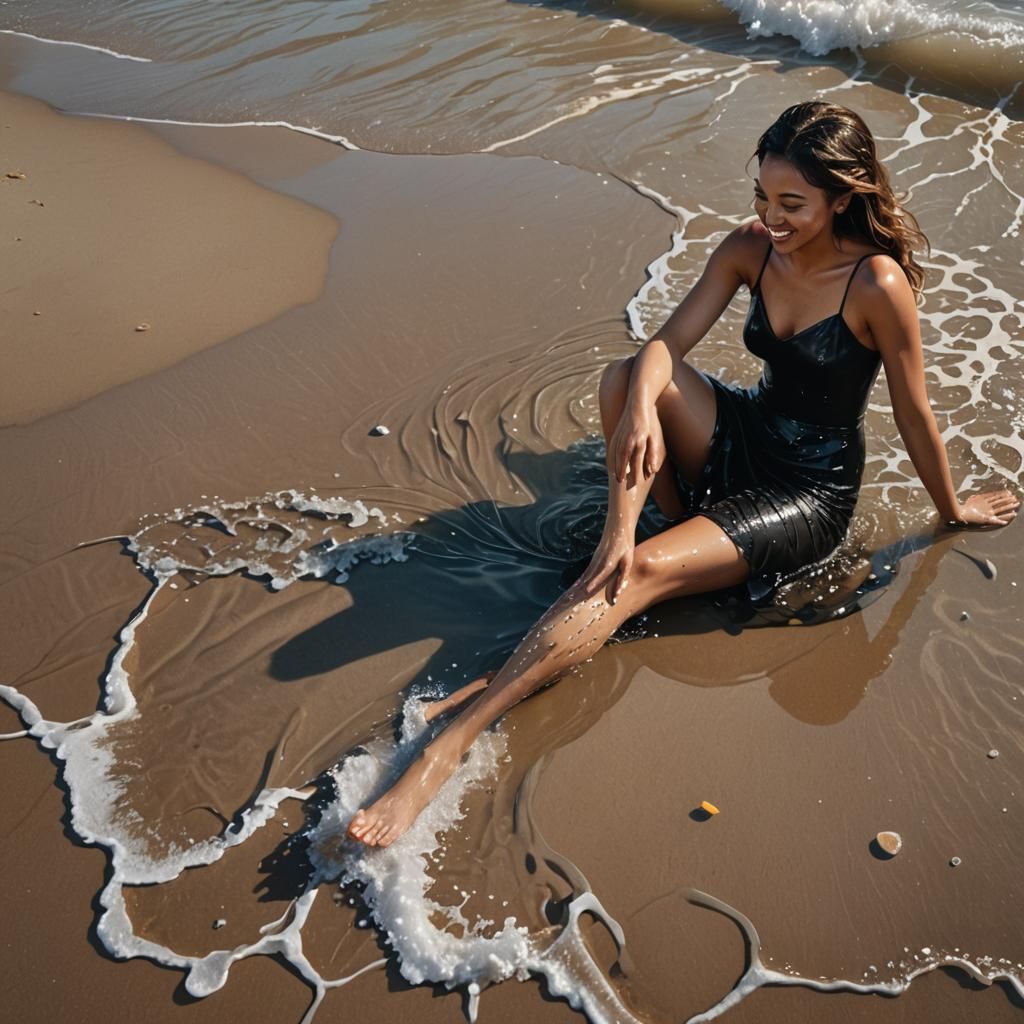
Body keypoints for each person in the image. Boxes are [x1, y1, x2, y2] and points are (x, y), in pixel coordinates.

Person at [348, 101, 1018, 848]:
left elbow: (915, 412)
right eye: (762, 198)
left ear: (843, 196)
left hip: (806, 493)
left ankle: (451, 742)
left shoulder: (876, 284)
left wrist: (952, 508)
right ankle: (632, 537)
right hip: (742, 439)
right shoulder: (750, 248)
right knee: (622, 381)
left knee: (631, 576)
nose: (772, 218)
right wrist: (639, 411)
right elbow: (666, 345)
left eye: (792, 204)